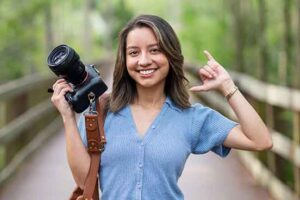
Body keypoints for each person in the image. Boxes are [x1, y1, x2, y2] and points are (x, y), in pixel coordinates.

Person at [51, 14, 273, 200]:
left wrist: (227, 87)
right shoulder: (101, 110)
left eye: (155, 50)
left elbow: (261, 140)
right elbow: (84, 181)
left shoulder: (192, 118)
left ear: (171, 55)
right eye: (134, 53)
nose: (144, 60)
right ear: (124, 60)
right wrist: (68, 118)